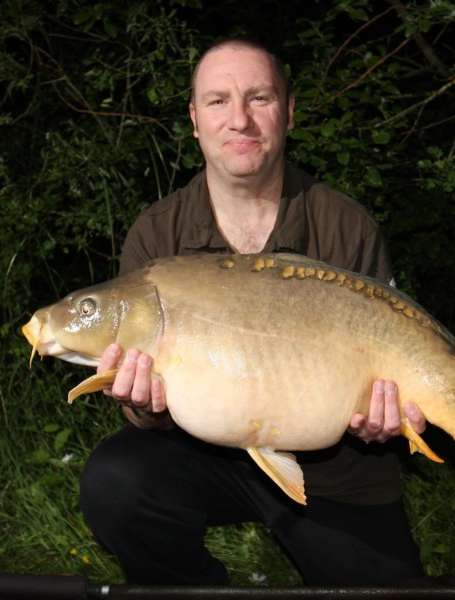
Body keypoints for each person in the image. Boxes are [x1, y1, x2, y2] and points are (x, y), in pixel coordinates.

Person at [79, 37, 427, 586]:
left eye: (258, 98)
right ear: (194, 120)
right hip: (202, 454)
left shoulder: (345, 226)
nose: (239, 119)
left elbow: (392, 362)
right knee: (115, 482)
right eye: (218, 101)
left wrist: (384, 423)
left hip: (335, 471)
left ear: (288, 111)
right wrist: (142, 404)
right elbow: (143, 412)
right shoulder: (157, 234)